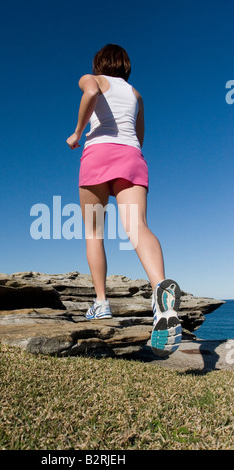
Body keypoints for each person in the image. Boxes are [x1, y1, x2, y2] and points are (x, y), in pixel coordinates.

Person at [66, 44, 182, 356]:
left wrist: (78, 133)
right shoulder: (136, 94)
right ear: (126, 66)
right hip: (131, 156)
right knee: (138, 227)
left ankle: (101, 302)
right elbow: (139, 136)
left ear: (98, 63)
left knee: (94, 232)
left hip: (98, 155)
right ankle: (161, 293)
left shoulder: (92, 78)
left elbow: (89, 93)